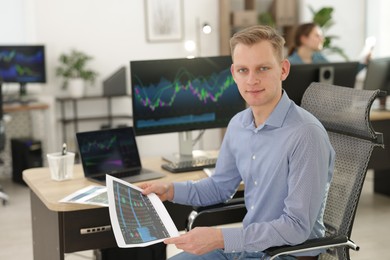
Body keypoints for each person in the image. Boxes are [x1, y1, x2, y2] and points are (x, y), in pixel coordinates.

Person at [141, 25, 335, 260]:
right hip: (248, 247)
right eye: (243, 70)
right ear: (234, 73)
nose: (252, 80)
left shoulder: (306, 134)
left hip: (287, 254)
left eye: (263, 68)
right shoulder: (238, 125)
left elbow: (295, 226)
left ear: (283, 69)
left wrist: (219, 238)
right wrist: (169, 190)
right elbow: (219, 187)